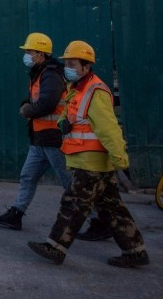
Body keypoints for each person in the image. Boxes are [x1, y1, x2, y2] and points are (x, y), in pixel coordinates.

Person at [28, 41, 149, 268]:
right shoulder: (77, 88)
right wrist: (63, 123)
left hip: (92, 161)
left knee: (73, 204)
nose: (68, 68)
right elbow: (70, 115)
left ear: (86, 67)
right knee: (112, 207)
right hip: (87, 159)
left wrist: (120, 158)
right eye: (66, 63)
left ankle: (55, 247)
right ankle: (135, 251)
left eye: (72, 64)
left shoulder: (96, 91)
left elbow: (108, 129)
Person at [0, 33, 70, 230]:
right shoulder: (39, 72)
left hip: (54, 140)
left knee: (71, 184)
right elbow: (33, 97)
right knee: (28, 176)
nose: (26, 55)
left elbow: (48, 103)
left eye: (29, 51)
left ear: (41, 54)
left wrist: (28, 111)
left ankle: (99, 219)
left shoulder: (51, 74)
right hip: (39, 138)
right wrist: (26, 103)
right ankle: (16, 214)